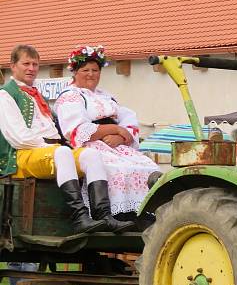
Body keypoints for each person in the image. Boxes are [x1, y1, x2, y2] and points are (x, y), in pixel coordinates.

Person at [0, 44, 133, 234]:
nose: (31, 68)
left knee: (91, 155)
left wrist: (59, 146)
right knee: (62, 152)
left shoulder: (37, 95)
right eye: (26, 64)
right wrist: (51, 146)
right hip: (20, 156)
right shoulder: (5, 95)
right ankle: (79, 217)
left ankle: (103, 216)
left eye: (35, 64)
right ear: (13, 66)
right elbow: (19, 138)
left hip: (48, 152)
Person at [54, 45, 160, 225]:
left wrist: (120, 137)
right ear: (75, 72)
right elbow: (78, 130)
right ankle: (113, 214)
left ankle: (141, 211)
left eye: (95, 70)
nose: (91, 74)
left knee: (148, 167)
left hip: (115, 145)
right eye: (85, 70)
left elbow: (128, 120)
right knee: (115, 168)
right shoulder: (70, 96)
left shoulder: (106, 96)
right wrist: (116, 130)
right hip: (89, 145)